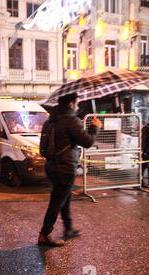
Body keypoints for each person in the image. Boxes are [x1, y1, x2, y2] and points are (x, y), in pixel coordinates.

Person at [38, 93, 102, 247]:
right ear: (71, 104)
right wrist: (95, 127)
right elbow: (87, 142)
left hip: (51, 166)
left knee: (63, 197)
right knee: (57, 201)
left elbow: (42, 149)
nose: (78, 106)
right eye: (77, 103)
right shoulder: (71, 120)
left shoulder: (49, 122)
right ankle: (44, 234)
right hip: (65, 168)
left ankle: (68, 228)